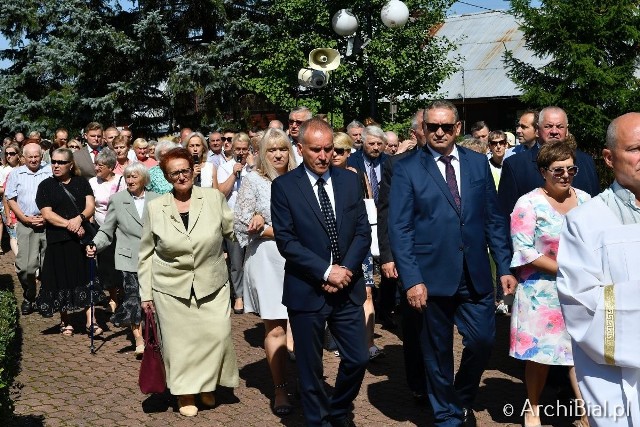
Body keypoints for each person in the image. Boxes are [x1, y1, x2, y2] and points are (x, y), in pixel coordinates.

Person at [388, 100, 516, 426]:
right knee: (437, 352)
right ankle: (447, 415)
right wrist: (412, 279)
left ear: (458, 128)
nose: (440, 132)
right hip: (430, 278)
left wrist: (503, 265)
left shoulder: (476, 163)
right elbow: (399, 229)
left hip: (474, 274)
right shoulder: (406, 167)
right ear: (423, 129)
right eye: (433, 127)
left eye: (446, 126)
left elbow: (493, 219)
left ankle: (461, 396)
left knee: (484, 340)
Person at [271, 118, 371, 427]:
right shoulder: (285, 186)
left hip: (347, 288)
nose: (324, 155)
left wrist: (344, 272)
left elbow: (362, 233)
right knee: (310, 367)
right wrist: (326, 272)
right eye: (316, 149)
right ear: (300, 148)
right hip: (307, 289)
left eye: (329, 149)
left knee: (358, 357)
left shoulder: (350, 181)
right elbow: (286, 241)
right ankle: (318, 420)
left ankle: (338, 409)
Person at [138, 148, 239, 417]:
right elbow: (146, 253)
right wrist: (145, 294)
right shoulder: (155, 207)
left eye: (185, 170)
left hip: (212, 283)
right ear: (166, 176)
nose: (182, 176)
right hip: (170, 287)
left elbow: (233, 232)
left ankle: (207, 384)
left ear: (194, 169)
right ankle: (184, 393)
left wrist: (259, 226)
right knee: (179, 345)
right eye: (175, 173)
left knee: (216, 336)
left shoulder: (214, 198)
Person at [557, 112, 640, 427]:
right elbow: (580, 303)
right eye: (635, 148)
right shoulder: (586, 222)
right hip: (612, 377)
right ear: (609, 158)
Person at [509, 142, 590, 427]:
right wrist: (564, 269)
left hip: (580, 289)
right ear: (544, 171)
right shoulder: (528, 203)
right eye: (558, 170)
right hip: (540, 293)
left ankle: (586, 412)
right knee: (539, 355)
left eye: (571, 169)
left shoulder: (585, 199)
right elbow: (524, 250)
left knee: (580, 352)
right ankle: (532, 408)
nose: (566, 175)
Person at [233, 128, 296, 416]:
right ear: (262, 154)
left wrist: (271, 228)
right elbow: (240, 223)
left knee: (305, 324)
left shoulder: (301, 178)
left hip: (300, 260)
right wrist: (265, 226)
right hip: (268, 261)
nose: (278, 154)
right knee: (276, 326)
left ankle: (307, 382)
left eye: (282, 148)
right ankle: (280, 388)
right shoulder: (253, 181)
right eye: (271, 150)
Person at [378, 109, 428, 401]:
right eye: (427, 126)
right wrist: (387, 255)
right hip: (407, 255)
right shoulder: (397, 166)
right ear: (415, 133)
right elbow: (385, 214)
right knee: (414, 323)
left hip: (441, 256)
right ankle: (418, 383)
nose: (435, 131)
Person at [87, 163, 159, 358]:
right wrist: (94, 245)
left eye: (135, 177)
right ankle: (139, 339)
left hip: (154, 258)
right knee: (133, 298)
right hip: (129, 259)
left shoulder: (157, 200)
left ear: (144, 179)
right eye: (128, 177)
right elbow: (106, 229)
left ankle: (155, 334)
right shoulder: (118, 200)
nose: (130, 180)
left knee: (155, 299)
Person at [35, 148, 104, 336]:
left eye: (60, 162)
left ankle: (92, 321)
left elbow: (90, 206)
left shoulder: (82, 183)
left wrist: (79, 218)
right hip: (58, 240)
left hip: (81, 239)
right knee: (61, 279)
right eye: (53, 162)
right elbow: (47, 214)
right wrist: (70, 224)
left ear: (70, 164)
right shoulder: (45, 186)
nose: (56, 166)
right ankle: (65, 321)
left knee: (85, 277)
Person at [332, 132, 383, 360]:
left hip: (359, 243)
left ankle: (368, 342)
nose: (334, 155)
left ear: (348, 153)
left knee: (367, 292)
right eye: (331, 149)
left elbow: (369, 207)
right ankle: (335, 338)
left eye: (341, 151)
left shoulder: (357, 176)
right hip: (335, 245)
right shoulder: (323, 176)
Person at [498, 107, 600, 217]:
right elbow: (503, 214)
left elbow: (596, 208)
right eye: (548, 126)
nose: (554, 131)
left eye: (560, 126)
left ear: (567, 130)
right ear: (537, 130)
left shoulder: (586, 161)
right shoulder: (515, 165)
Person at [6, 142, 52, 315]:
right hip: (26, 224)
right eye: (30, 157)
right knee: (25, 267)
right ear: (23, 157)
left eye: (36, 156)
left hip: (48, 224)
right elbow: (11, 198)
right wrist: (24, 218)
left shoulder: (49, 171)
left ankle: (45, 297)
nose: (33, 160)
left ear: (41, 156)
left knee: (47, 265)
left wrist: (47, 216)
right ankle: (29, 294)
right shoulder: (16, 174)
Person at [218, 132, 253, 314]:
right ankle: (238, 296)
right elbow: (221, 193)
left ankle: (253, 296)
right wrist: (234, 173)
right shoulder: (225, 167)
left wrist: (252, 168)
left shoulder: (255, 168)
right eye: (237, 149)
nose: (241, 152)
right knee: (236, 261)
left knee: (252, 260)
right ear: (232, 149)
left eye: (244, 149)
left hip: (253, 221)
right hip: (233, 220)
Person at [89, 149, 126, 313]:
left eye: (101, 165)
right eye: (96, 164)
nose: (97, 168)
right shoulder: (92, 182)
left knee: (122, 262)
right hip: (102, 229)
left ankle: (125, 292)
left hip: (122, 229)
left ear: (111, 167)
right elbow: (90, 206)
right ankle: (113, 297)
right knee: (107, 264)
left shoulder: (122, 181)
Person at [0, 143, 21, 255]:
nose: (9, 156)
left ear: (18, 154)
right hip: (7, 205)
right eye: (7, 154)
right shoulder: (3, 170)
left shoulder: (24, 168)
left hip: (23, 206)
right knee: (13, 234)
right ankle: (20, 259)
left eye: (12, 153)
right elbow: (3, 191)